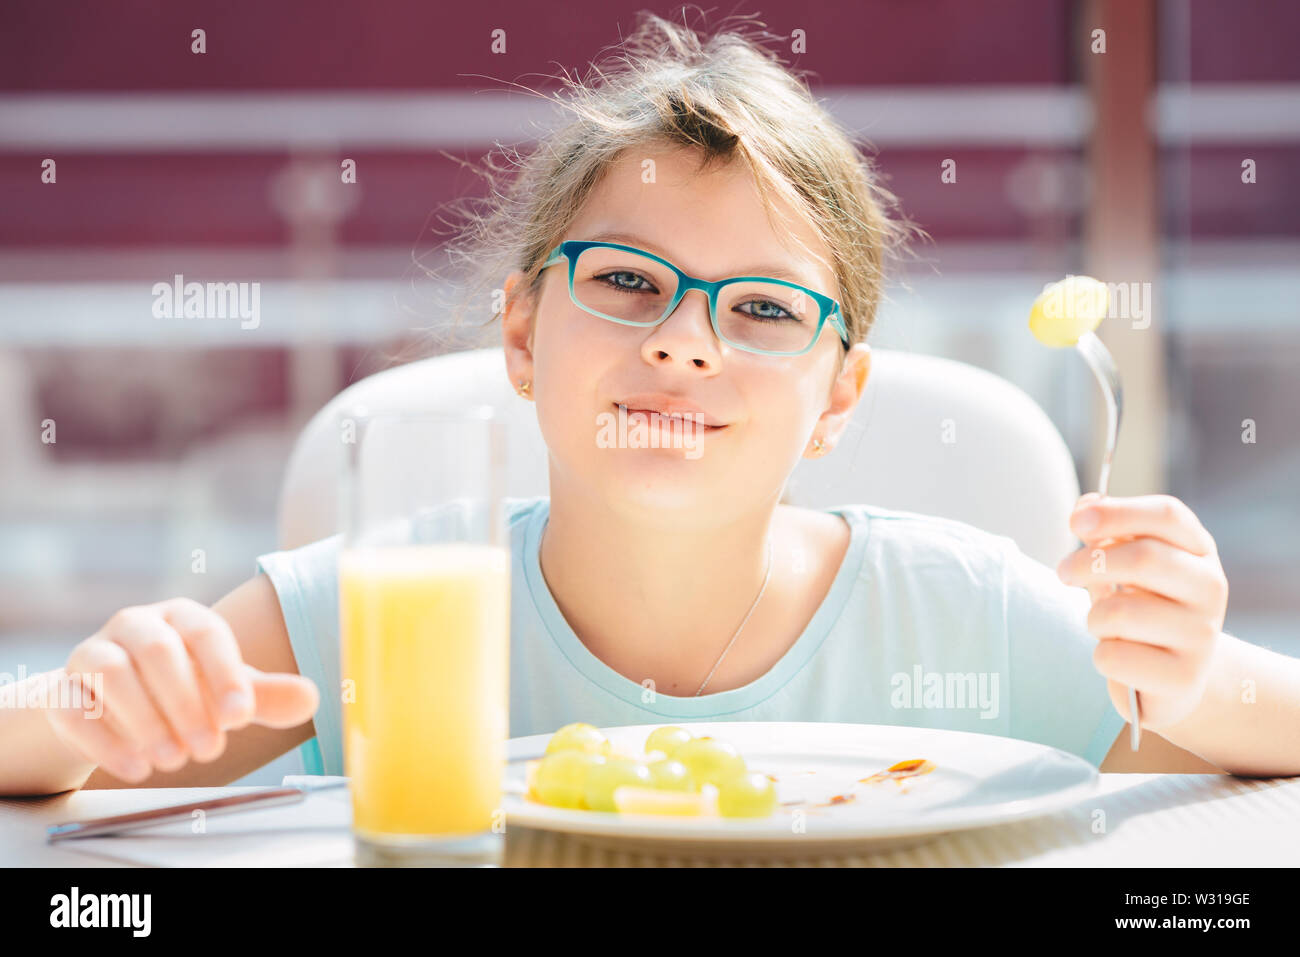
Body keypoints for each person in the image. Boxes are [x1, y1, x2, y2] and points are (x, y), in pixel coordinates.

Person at [3, 13, 1296, 797]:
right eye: (626, 282)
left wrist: (1196, 675)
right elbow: (39, 753)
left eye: (765, 310)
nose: (684, 346)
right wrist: (85, 708)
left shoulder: (966, 615)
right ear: (522, 328)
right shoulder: (379, 613)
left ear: (842, 393)